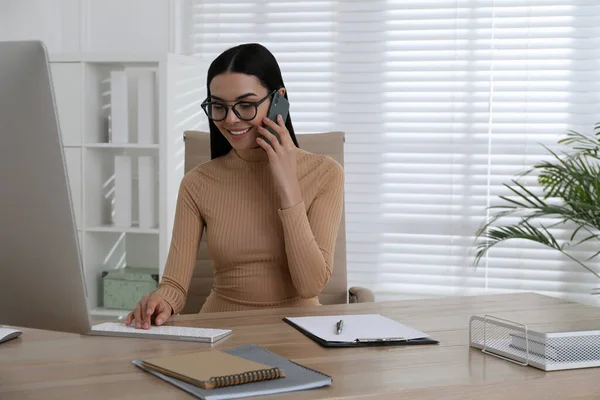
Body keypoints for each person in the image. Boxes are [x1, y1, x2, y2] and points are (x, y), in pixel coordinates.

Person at [125, 43, 344, 329]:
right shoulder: (197, 183)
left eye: (245, 105)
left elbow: (309, 286)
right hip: (221, 330)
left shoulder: (325, 173)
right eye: (219, 106)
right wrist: (161, 301)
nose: (230, 120)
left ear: (279, 100)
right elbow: (174, 286)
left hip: (300, 332)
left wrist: (287, 184)